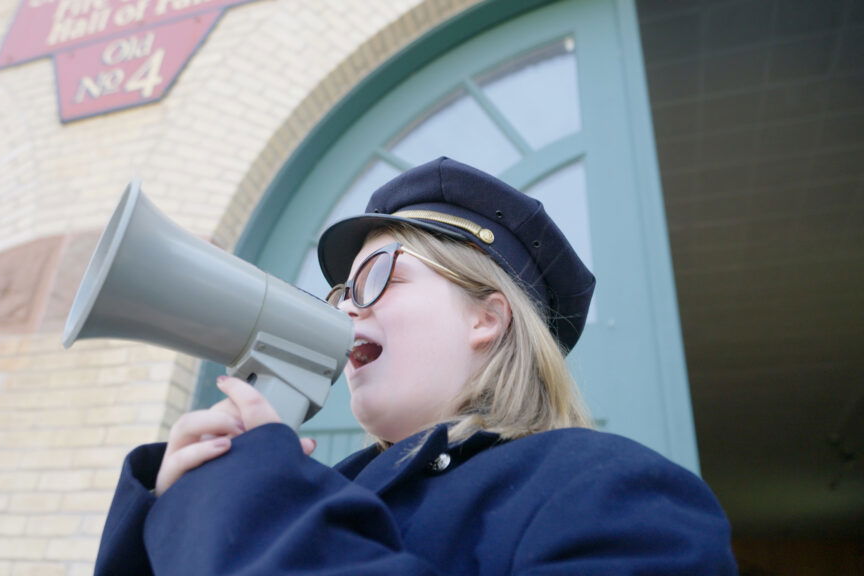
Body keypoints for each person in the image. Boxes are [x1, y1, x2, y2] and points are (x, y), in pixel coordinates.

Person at [94, 157, 738, 575]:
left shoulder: (614, 491)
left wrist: (248, 508)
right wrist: (173, 514)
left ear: (486, 317)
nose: (346, 311)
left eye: (375, 278)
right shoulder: (325, 494)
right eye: (342, 293)